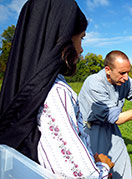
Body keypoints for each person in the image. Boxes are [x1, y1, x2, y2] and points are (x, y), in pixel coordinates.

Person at [0, 0, 113, 178]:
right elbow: (81, 175)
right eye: (81, 37)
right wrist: (103, 166)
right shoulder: (55, 92)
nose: (82, 48)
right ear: (64, 37)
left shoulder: (18, 86)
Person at [78, 50, 132, 179]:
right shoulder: (94, 84)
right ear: (108, 70)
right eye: (122, 73)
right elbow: (116, 118)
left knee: (122, 168)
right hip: (91, 131)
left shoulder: (123, 80)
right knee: (97, 171)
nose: (126, 77)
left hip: (111, 129)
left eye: (128, 72)